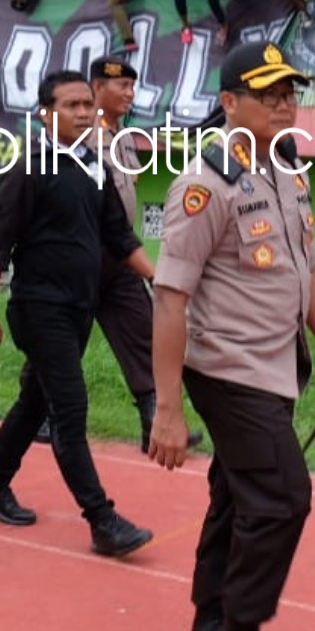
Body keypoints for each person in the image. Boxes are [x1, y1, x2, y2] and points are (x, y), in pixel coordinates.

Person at [150, 42, 315, 631]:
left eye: (289, 93)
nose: (283, 105)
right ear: (229, 103)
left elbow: (309, 270)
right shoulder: (204, 184)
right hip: (228, 369)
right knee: (282, 498)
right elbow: (168, 298)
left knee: (238, 500)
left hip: (277, 367)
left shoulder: (287, 173)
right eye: (267, 94)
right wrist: (166, 408)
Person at [0, 70, 156, 559]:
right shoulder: (31, 168)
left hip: (79, 308)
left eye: (86, 105)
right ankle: (102, 519)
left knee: (35, 401)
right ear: (46, 114)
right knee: (69, 410)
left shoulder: (94, 166)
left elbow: (120, 237)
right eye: (71, 105)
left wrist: (162, 278)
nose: (83, 113)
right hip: (38, 308)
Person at [87, 57, 202, 453]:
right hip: (82, 257)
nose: (129, 94)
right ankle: (40, 416)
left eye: (133, 88)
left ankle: (155, 422)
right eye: (122, 87)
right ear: (98, 87)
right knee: (61, 345)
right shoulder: (79, 136)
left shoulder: (120, 137)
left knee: (144, 334)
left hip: (119, 258)